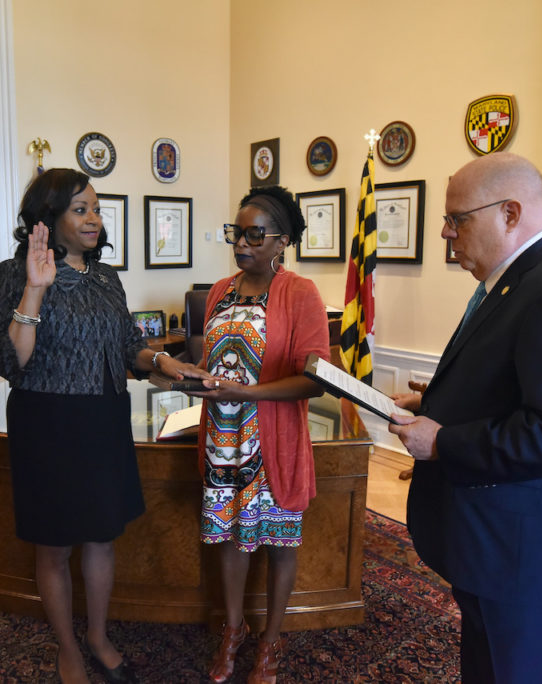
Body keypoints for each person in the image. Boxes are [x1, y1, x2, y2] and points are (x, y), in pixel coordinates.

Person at [388, 153, 542, 683]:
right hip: (495, 544)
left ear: (510, 213)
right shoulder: (515, 280)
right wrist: (437, 403)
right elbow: (520, 384)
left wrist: (444, 442)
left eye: (458, 219)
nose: (445, 232)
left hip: (528, 557)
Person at [0, 168, 207, 684]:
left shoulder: (107, 277)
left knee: (103, 537)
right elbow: (9, 362)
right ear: (48, 217)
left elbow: (129, 344)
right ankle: (67, 648)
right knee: (56, 544)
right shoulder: (14, 273)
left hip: (104, 419)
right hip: (48, 423)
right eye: (80, 209)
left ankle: (98, 636)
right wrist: (36, 291)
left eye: (96, 208)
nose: (93, 218)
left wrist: (167, 363)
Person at [187, 186, 330, 684]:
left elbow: (315, 377)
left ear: (281, 241)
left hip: (272, 444)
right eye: (236, 233)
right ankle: (232, 631)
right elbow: (213, 362)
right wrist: (194, 378)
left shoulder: (301, 293)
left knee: (279, 545)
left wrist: (248, 394)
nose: (241, 244)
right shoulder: (219, 291)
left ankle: (269, 642)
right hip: (223, 442)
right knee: (228, 540)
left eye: (254, 235)